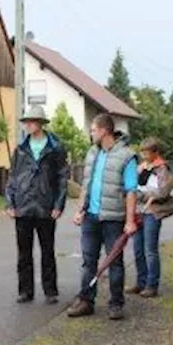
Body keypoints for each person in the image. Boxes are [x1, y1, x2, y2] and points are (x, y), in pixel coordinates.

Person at [67, 114, 139, 321]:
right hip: (91, 217)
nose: (90, 134)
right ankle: (86, 301)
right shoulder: (92, 153)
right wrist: (80, 210)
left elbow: (131, 191)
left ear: (104, 131)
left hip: (114, 218)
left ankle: (116, 304)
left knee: (114, 262)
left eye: (93, 130)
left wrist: (130, 220)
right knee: (88, 261)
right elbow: (87, 185)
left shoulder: (126, 156)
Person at [4, 105, 69, 305]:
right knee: (24, 253)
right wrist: (9, 201)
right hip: (23, 206)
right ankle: (25, 290)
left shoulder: (55, 148)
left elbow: (62, 178)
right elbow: (12, 177)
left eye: (31, 122)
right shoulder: (20, 149)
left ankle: (50, 291)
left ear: (40, 124)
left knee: (47, 251)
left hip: (45, 206)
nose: (27, 125)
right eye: (26, 122)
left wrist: (59, 204)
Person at [129, 139, 173, 298]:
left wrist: (147, 195)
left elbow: (164, 191)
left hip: (152, 212)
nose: (144, 155)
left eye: (147, 152)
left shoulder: (162, 168)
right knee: (138, 249)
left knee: (150, 249)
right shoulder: (140, 167)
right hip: (138, 211)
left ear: (155, 152)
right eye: (142, 152)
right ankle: (141, 282)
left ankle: (151, 284)